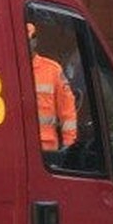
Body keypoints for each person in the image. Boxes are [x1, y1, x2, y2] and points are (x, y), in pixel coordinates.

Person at [27, 21, 78, 154]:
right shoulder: (8, 69)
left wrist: (69, 144)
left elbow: (67, 109)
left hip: (46, 149)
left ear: (35, 41)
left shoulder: (52, 70)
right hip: (16, 147)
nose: (25, 44)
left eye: (29, 40)